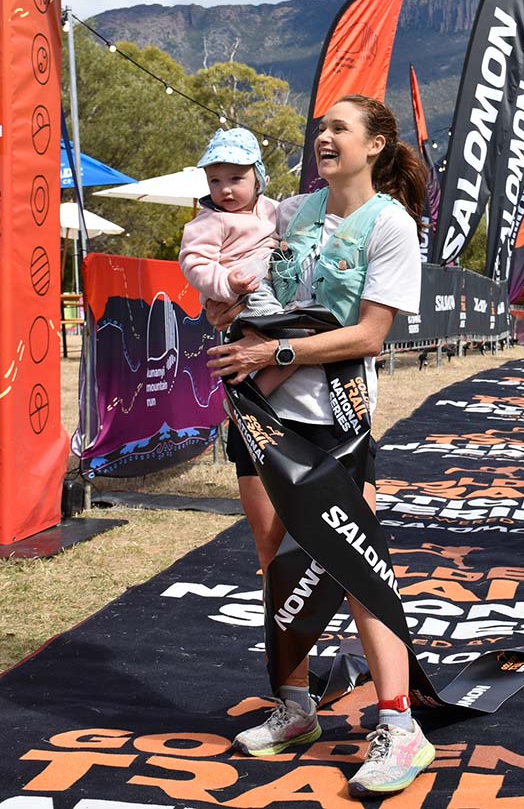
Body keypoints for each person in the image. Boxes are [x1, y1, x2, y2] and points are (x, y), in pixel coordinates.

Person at [205, 94, 434, 798]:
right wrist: (227, 309)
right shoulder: (291, 211)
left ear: (375, 146)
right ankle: (296, 707)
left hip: (333, 422)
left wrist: (274, 347)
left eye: (339, 128)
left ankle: (399, 726)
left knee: (356, 566)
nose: (323, 137)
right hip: (257, 412)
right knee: (276, 562)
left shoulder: (390, 225)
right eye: (320, 128)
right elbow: (247, 290)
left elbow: (369, 335)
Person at [179, 127, 298, 399]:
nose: (225, 189)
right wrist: (226, 283)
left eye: (236, 178)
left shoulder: (272, 209)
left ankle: (254, 388)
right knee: (287, 332)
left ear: (258, 180)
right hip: (245, 291)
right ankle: (251, 394)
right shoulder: (210, 220)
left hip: (275, 280)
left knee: (287, 330)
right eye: (215, 181)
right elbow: (194, 261)